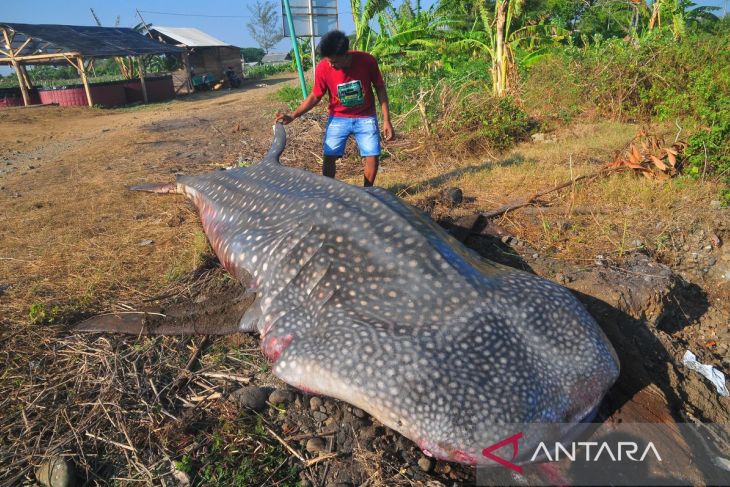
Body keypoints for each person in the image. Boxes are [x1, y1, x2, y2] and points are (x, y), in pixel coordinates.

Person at [276, 30, 394, 187]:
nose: (331, 65)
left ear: (346, 55)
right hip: (338, 118)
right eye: (328, 61)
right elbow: (315, 96)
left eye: (335, 62)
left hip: (366, 117)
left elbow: (380, 88)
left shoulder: (367, 61)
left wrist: (387, 120)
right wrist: (293, 115)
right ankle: (329, 191)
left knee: (372, 155)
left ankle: (367, 192)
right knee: (329, 155)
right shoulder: (323, 67)